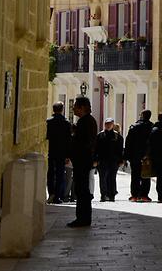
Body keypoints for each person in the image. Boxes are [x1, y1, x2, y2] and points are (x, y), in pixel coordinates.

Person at [68, 96, 97, 228]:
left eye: (75, 106)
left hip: (82, 160)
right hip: (83, 160)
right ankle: (83, 217)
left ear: (82, 108)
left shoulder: (85, 122)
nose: (73, 108)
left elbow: (84, 142)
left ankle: (82, 218)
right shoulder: (86, 121)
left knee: (81, 189)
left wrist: (74, 136)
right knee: (81, 189)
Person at [123, 110, 154, 202]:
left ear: (142, 116)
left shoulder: (134, 127)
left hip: (135, 156)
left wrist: (126, 156)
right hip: (147, 156)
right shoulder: (152, 127)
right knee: (146, 175)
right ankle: (144, 195)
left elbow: (128, 142)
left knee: (135, 175)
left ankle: (135, 195)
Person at [45, 101, 72, 204]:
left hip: (51, 151)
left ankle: (51, 192)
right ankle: (57, 196)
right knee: (60, 174)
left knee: (50, 173)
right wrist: (68, 155)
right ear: (62, 110)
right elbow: (68, 140)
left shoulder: (49, 122)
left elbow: (47, 136)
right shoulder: (66, 123)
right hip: (61, 153)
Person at [95, 117, 124, 201]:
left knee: (112, 178)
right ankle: (103, 194)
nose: (108, 126)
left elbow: (120, 149)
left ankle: (112, 194)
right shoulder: (100, 135)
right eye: (106, 124)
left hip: (113, 161)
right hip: (102, 160)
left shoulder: (117, 136)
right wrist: (95, 160)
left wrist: (121, 160)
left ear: (113, 125)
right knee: (103, 178)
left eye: (110, 124)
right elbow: (96, 148)